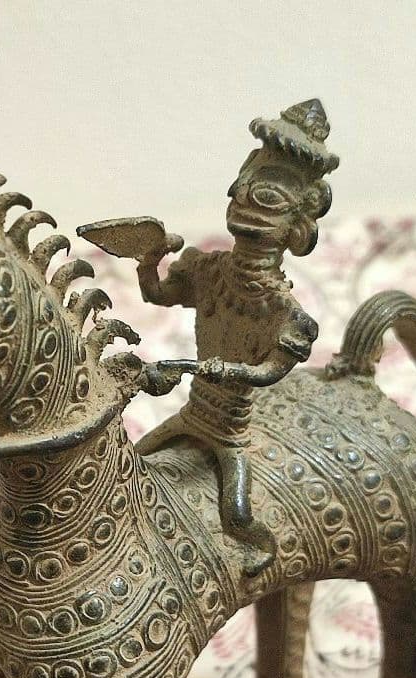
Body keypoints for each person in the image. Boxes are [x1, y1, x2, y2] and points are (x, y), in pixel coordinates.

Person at [135, 99, 339, 574]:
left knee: (239, 514)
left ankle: (262, 551)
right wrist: (148, 260)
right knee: (129, 461)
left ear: (299, 226)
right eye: (244, 187)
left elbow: (268, 372)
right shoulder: (209, 271)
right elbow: (158, 294)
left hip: (229, 431)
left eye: (268, 196)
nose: (244, 200)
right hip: (193, 413)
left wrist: (219, 369)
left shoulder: (285, 314)